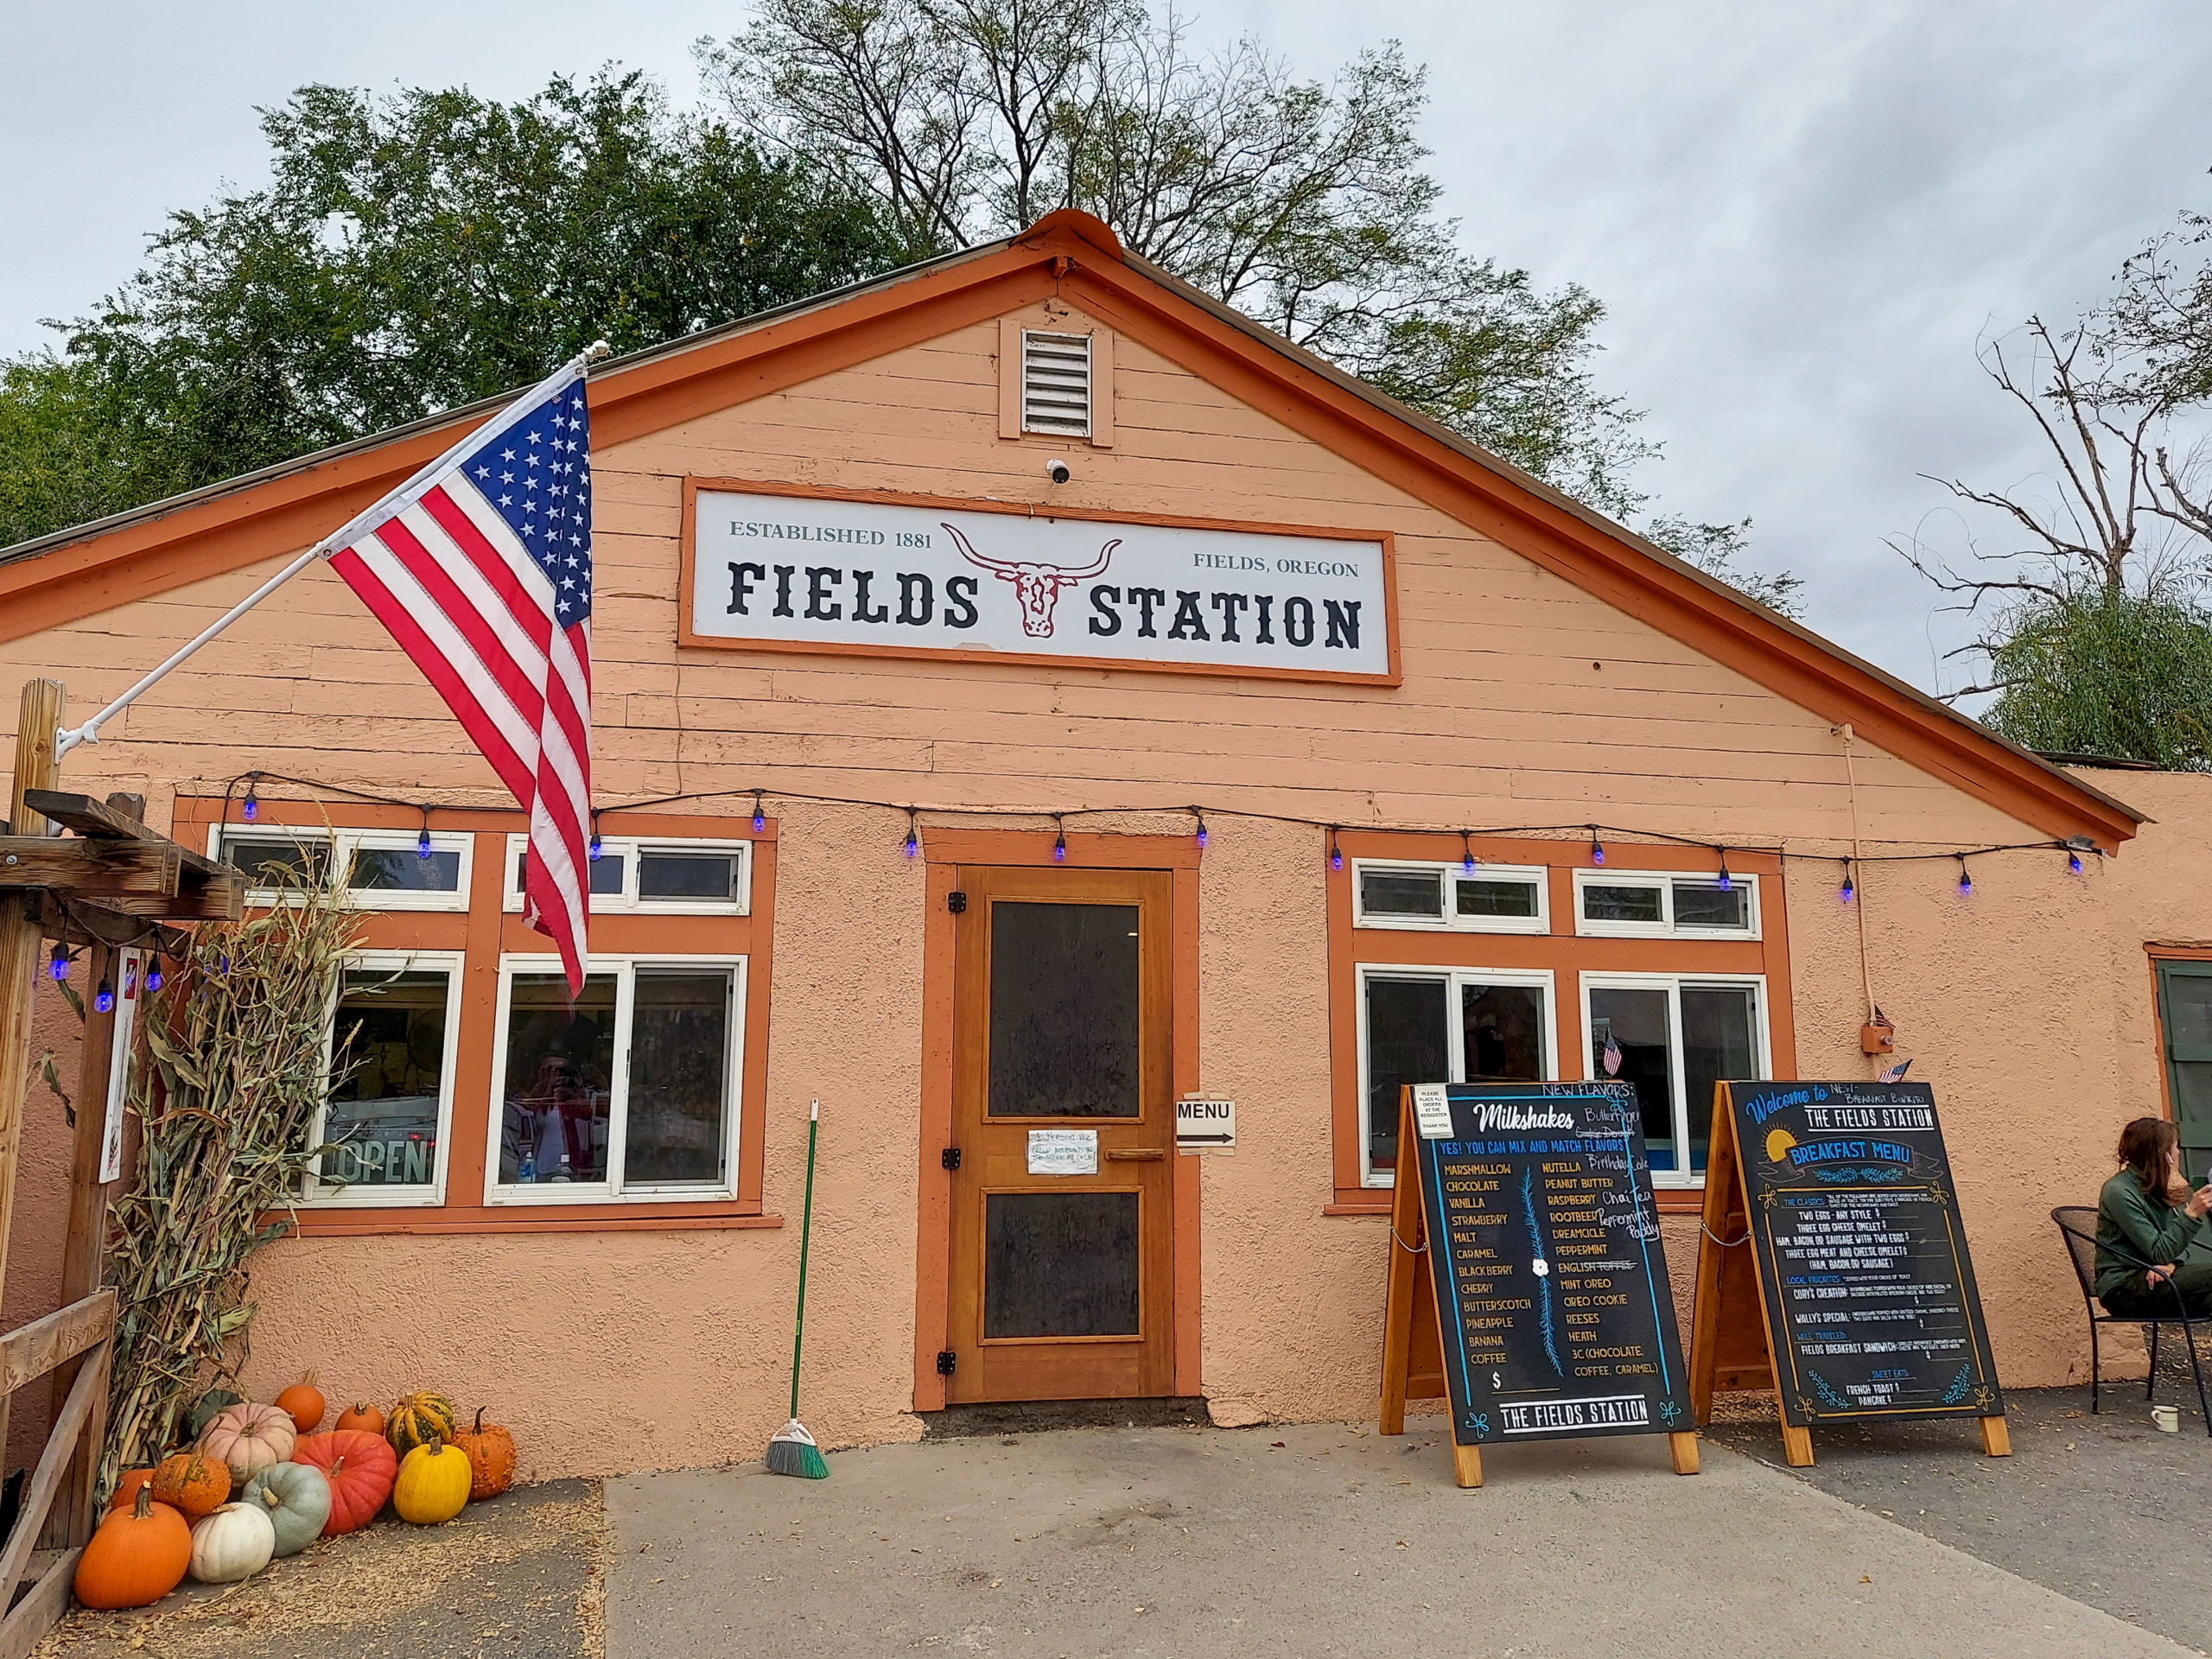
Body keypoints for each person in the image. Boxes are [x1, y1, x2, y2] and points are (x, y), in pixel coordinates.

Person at [2095, 1116, 2212, 1317]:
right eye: (2175, 1147)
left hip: (2159, 1280)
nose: (2179, 1153)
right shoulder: (2119, 1192)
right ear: (2163, 1155)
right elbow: (2159, 1250)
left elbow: (2177, 1249)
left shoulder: (2157, 1186)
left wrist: (2171, 1264)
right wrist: (2191, 1213)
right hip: (2123, 1288)